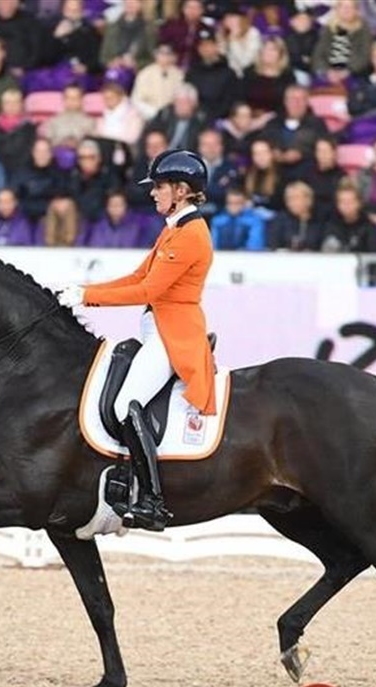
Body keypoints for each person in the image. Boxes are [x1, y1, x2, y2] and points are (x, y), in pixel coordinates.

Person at [56, 149, 217, 530]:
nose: (153, 193)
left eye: (159, 186)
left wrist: (87, 298)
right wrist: (83, 289)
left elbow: (148, 290)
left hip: (172, 335)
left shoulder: (191, 234)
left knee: (126, 405)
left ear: (181, 190)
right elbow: (135, 278)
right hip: (157, 330)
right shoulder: (174, 228)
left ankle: (152, 500)